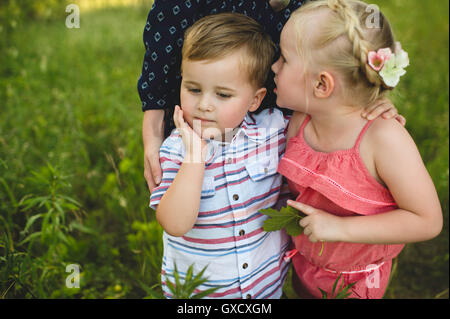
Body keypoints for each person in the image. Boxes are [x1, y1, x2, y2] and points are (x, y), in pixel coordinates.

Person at [138, 0, 403, 193]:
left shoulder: (287, 130)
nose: (275, 65)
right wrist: (154, 135)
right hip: (205, 134)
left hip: (279, 135)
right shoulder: (185, 147)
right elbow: (162, 47)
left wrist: (362, 93)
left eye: (283, 59)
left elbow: (347, 48)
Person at [271, 0, 443, 298]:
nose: (273, 66)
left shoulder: (383, 139)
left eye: (284, 59)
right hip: (306, 263)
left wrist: (339, 229)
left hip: (355, 282)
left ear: (322, 85)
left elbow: (427, 220)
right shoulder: (300, 122)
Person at [149, 13, 291, 299]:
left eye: (222, 95)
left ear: (255, 99)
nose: (204, 105)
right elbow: (175, 224)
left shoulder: (273, 131)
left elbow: (330, 125)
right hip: (202, 294)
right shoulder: (177, 148)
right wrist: (195, 158)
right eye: (193, 89)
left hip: (265, 287)